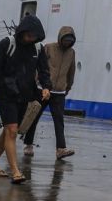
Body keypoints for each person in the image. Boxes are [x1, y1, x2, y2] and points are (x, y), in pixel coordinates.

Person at [0, 15, 51, 184]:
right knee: (11, 130)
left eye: (34, 36)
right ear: (22, 31)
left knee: (9, 131)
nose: (30, 39)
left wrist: (46, 86)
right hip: (6, 94)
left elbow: (44, 70)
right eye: (28, 35)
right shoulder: (6, 44)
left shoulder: (38, 48)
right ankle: (16, 171)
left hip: (25, 95)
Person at [23, 26, 77, 160]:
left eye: (70, 41)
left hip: (59, 92)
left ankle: (60, 149)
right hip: (43, 89)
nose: (67, 43)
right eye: (65, 40)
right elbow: (39, 66)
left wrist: (68, 87)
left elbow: (71, 71)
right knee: (34, 116)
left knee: (59, 120)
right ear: (60, 38)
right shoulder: (48, 47)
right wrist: (35, 83)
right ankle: (28, 144)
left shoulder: (71, 53)